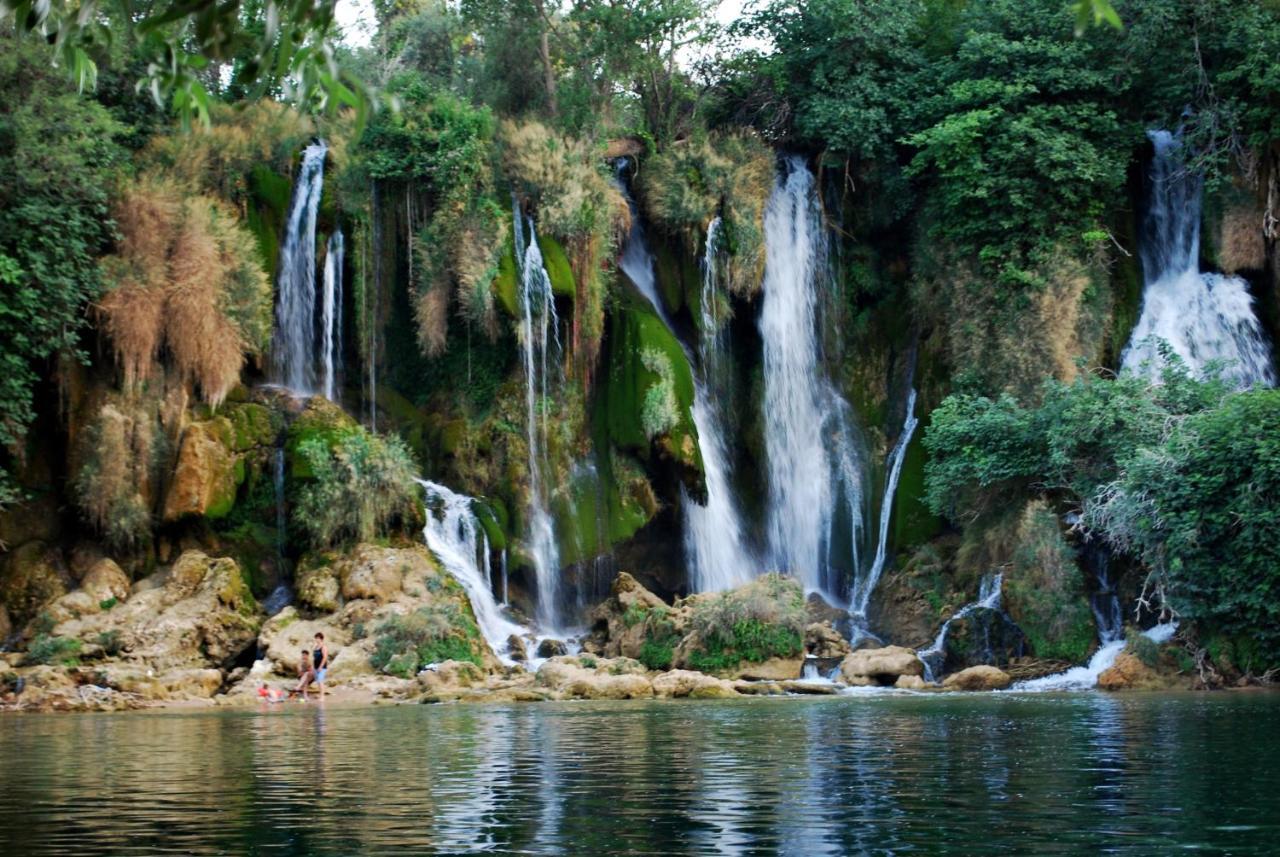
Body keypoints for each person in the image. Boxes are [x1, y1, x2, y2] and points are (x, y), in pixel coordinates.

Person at [312, 632, 329, 698]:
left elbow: (325, 657)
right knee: (318, 681)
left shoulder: (324, 647)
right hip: (316, 666)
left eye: (318, 638)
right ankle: (320, 694)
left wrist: (320, 667)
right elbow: (314, 657)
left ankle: (322, 696)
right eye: (316, 638)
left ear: (321, 639)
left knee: (320, 680)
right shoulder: (316, 647)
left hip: (322, 667)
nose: (316, 639)